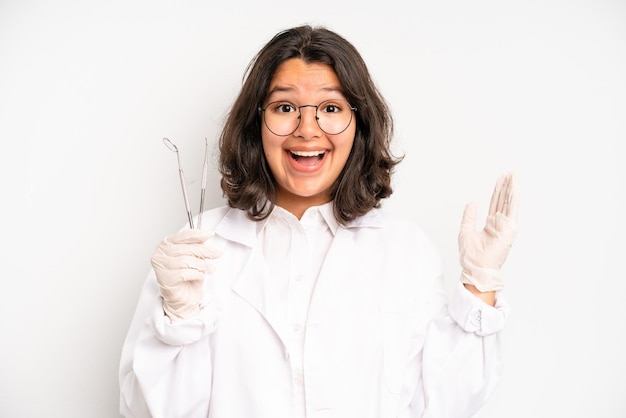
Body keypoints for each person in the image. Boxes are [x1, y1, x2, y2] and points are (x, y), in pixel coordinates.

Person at [118, 24, 519, 418]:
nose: (307, 130)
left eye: (330, 108)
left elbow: (446, 402)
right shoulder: (198, 247)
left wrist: (479, 285)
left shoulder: (404, 250)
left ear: (359, 124)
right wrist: (179, 319)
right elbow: (148, 411)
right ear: (256, 124)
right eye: (285, 108)